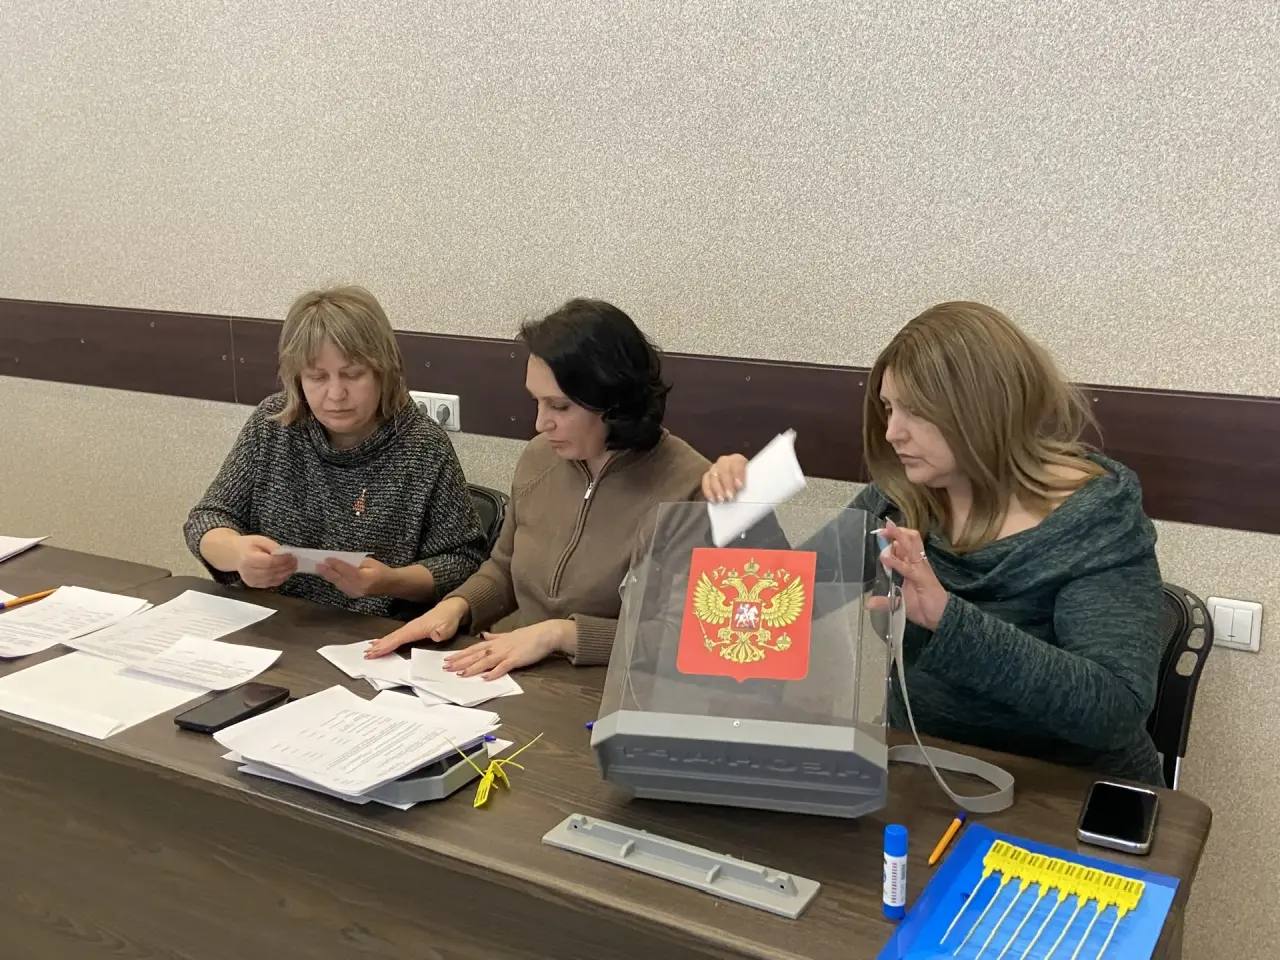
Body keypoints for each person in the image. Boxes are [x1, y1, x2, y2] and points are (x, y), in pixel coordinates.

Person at [702, 302, 1165, 784]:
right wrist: (744, 511)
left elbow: (1115, 711)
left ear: (986, 409)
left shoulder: (1095, 522)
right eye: (888, 408)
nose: (891, 432)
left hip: (1065, 793)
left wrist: (949, 621)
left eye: (917, 411)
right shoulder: (899, 501)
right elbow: (790, 604)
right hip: (933, 770)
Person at [366, 298, 709, 677]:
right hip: (515, 674)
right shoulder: (539, 457)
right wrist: (457, 605)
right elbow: (504, 567)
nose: (541, 423)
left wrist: (560, 635)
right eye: (537, 402)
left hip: (612, 689)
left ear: (615, 403)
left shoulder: (692, 488)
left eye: (559, 407)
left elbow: (685, 638)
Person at [184, 285, 486, 619]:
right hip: (272, 620)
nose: (336, 394)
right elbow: (207, 519)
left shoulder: (422, 445)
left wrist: (391, 581)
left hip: (375, 630)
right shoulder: (274, 424)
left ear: (384, 372)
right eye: (317, 377)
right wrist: (237, 553)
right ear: (297, 379)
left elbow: (464, 562)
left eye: (352, 375)